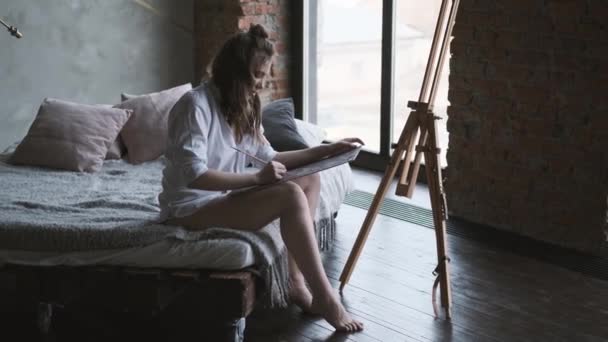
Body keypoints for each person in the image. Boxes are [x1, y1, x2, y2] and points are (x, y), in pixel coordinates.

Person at [159, 24, 364, 333]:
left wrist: (327, 150)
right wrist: (256, 179)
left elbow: (273, 158)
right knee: (290, 195)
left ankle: (295, 281)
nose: (261, 83)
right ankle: (327, 297)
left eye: (264, 75)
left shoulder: (242, 105)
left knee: (309, 180)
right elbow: (195, 176)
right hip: (190, 209)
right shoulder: (194, 106)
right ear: (233, 72)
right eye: (256, 75)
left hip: (220, 200)